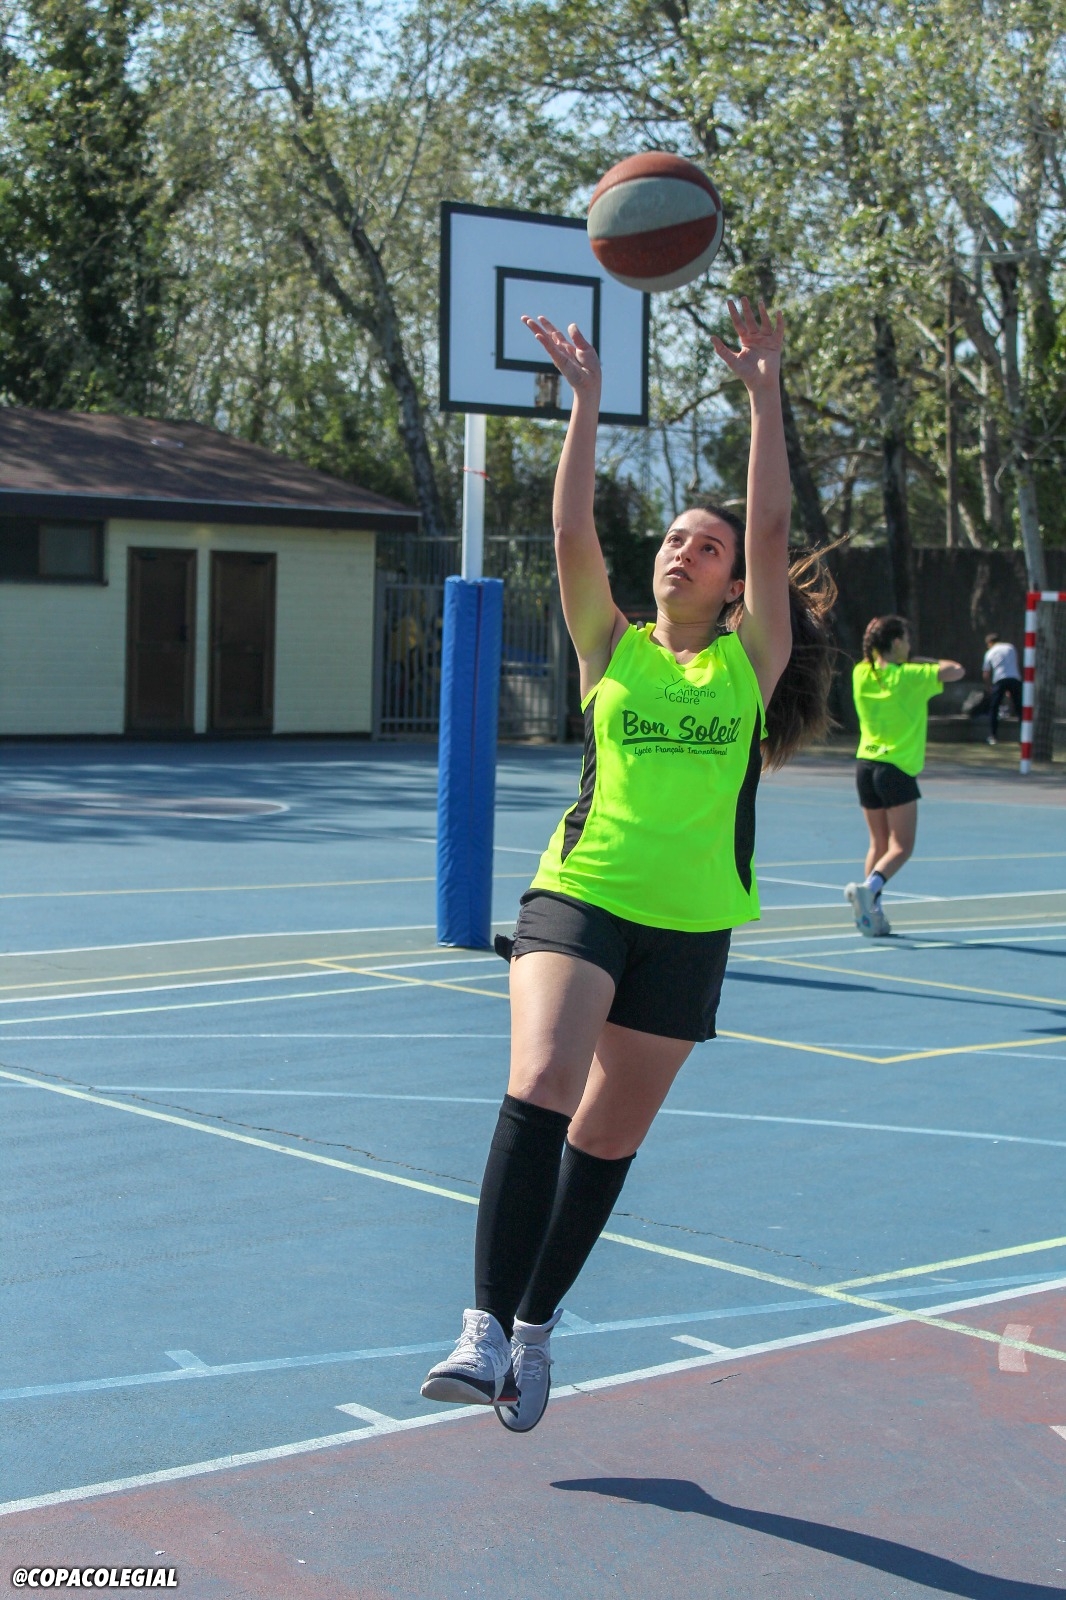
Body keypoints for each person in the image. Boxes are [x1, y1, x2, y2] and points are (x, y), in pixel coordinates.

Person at [420, 297, 837, 1434]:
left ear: (734, 584)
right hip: (582, 891)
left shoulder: (747, 662)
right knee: (542, 1081)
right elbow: (570, 534)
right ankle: (481, 1325)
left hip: (691, 920)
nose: (680, 551)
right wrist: (586, 403)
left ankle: (536, 1327)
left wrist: (764, 396)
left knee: (607, 1139)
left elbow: (771, 524)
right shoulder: (609, 644)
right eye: (671, 539)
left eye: (705, 546)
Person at [844, 616, 964, 937]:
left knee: (878, 843)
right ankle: (869, 889)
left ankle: (871, 913)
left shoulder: (861, 673)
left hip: (865, 766)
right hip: (895, 770)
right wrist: (918, 661)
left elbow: (875, 660)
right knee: (902, 847)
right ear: (897, 643)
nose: (909, 647)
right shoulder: (910, 676)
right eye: (906, 641)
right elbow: (956, 670)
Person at [981, 631, 1022, 745]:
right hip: (1015, 679)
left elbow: (986, 673)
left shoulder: (990, 652)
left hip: (1000, 680)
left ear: (990, 643)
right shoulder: (1010, 647)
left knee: (994, 708)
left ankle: (993, 736)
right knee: (1019, 708)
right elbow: (1012, 665)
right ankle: (1024, 736)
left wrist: (988, 687)